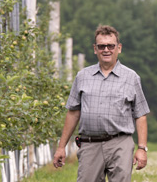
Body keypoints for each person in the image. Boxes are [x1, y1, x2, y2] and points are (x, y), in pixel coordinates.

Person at [52, 25, 150, 182]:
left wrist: (142, 148)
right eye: (101, 46)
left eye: (110, 46)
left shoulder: (131, 78)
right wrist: (61, 146)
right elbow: (73, 112)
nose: (106, 50)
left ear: (119, 48)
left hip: (120, 143)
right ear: (95, 49)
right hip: (90, 144)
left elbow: (140, 115)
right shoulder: (82, 76)